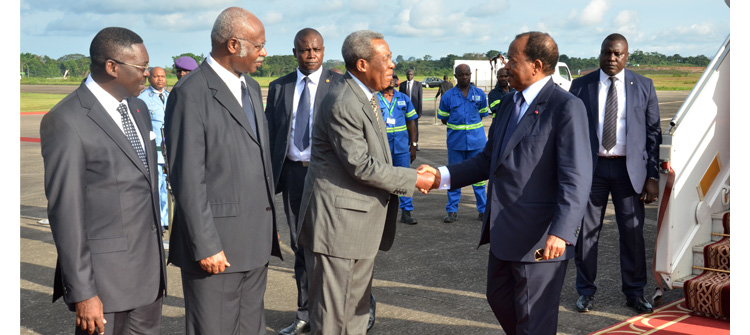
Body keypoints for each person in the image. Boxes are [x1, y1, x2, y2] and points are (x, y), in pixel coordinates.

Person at [418, 31, 592, 334]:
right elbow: (487, 161)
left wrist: (562, 232)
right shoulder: (510, 103)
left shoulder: (565, 107)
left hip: (541, 237)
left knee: (533, 317)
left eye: (512, 60)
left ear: (536, 65)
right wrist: (441, 177)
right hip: (504, 231)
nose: (506, 67)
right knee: (499, 298)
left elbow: (576, 177)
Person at [296, 30, 435, 334]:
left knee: (355, 316)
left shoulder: (364, 96)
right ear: (362, 64)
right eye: (385, 59)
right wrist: (416, 179)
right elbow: (362, 166)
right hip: (338, 230)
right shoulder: (344, 100)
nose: (392, 65)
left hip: (354, 229)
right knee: (335, 321)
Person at [40, 26, 167, 335]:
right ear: (112, 67)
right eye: (141, 68)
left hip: (149, 279)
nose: (147, 74)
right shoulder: (67, 120)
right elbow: (66, 214)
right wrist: (83, 292)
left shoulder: (137, 108)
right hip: (105, 286)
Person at [163, 7, 282, 334]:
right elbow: (187, 178)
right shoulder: (190, 94)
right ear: (233, 45)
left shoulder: (252, 89)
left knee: (251, 328)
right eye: (259, 46)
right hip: (217, 248)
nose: (264, 53)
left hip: (254, 242)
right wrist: (205, 245)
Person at [570, 33, 661, 314]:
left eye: (618, 54)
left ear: (627, 56)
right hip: (592, 170)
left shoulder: (644, 86)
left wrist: (652, 176)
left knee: (632, 235)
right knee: (586, 233)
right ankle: (585, 292)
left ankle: (634, 293)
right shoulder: (581, 85)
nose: (611, 58)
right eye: (607, 52)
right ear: (599, 53)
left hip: (628, 170)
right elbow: (568, 131)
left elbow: (653, 134)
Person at [264, 28, 341, 335]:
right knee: (300, 244)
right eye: (305, 50)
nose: (311, 55)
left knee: (335, 247)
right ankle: (305, 313)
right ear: (295, 52)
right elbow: (270, 134)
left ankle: (350, 307)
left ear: (324, 51)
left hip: (328, 176)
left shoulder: (338, 83)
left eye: (316, 50)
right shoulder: (279, 86)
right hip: (295, 175)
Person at [436, 64, 489, 223]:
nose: (465, 77)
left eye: (467, 74)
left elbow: (483, 114)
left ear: (470, 75)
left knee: (479, 178)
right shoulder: (447, 96)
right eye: (462, 75)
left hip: (477, 143)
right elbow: (444, 118)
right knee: (452, 176)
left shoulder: (480, 94)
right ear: (455, 76)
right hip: (456, 143)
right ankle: (451, 211)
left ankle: (483, 210)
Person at [379, 74, 419, 224]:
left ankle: (406, 211)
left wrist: (413, 145)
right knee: (382, 179)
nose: (391, 80)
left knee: (404, 179)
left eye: (393, 78)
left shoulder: (403, 98)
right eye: (388, 77)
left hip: (402, 147)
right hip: (382, 147)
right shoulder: (374, 98)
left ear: (397, 82)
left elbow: (411, 122)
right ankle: (382, 213)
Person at [138, 66, 169, 234]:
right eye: (156, 76)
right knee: (156, 186)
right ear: (150, 78)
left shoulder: (170, 97)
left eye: (163, 76)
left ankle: (165, 219)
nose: (160, 79)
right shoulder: (143, 99)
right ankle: (157, 218)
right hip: (154, 151)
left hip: (168, 153)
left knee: (167, 187)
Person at [398, 69, 422, 150]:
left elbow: (420, 99)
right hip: (404, 109)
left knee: (415, 127)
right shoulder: (402, 85)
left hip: (414, 109)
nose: (409, 76)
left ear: (413, 75)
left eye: (411, 74)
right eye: (408, 74)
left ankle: (415, 143)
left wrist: (420, 111)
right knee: (405, 127)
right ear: (406, 75)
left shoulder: (418, 84)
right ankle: (407, 143)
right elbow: (400, 98)